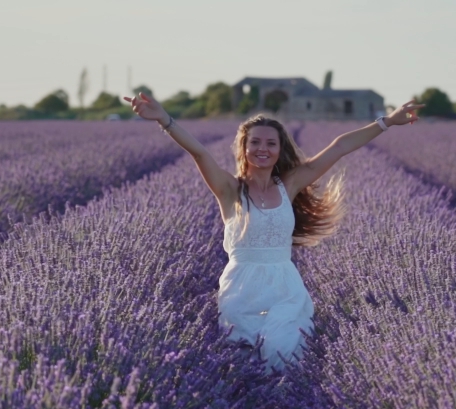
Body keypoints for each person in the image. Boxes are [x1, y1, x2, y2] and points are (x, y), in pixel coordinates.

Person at [124, 92, 423, 372]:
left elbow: (340, 147)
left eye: (270, 143)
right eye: (255, 142)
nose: (262, 149)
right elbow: (199, 153)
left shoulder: (289, 185)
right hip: (241, 291)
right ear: (244, 147)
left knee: (283, 351)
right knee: (242, 364)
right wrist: (164, 119)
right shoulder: (230, 190)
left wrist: (388, 121)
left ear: (280, 150)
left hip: (284, 288)